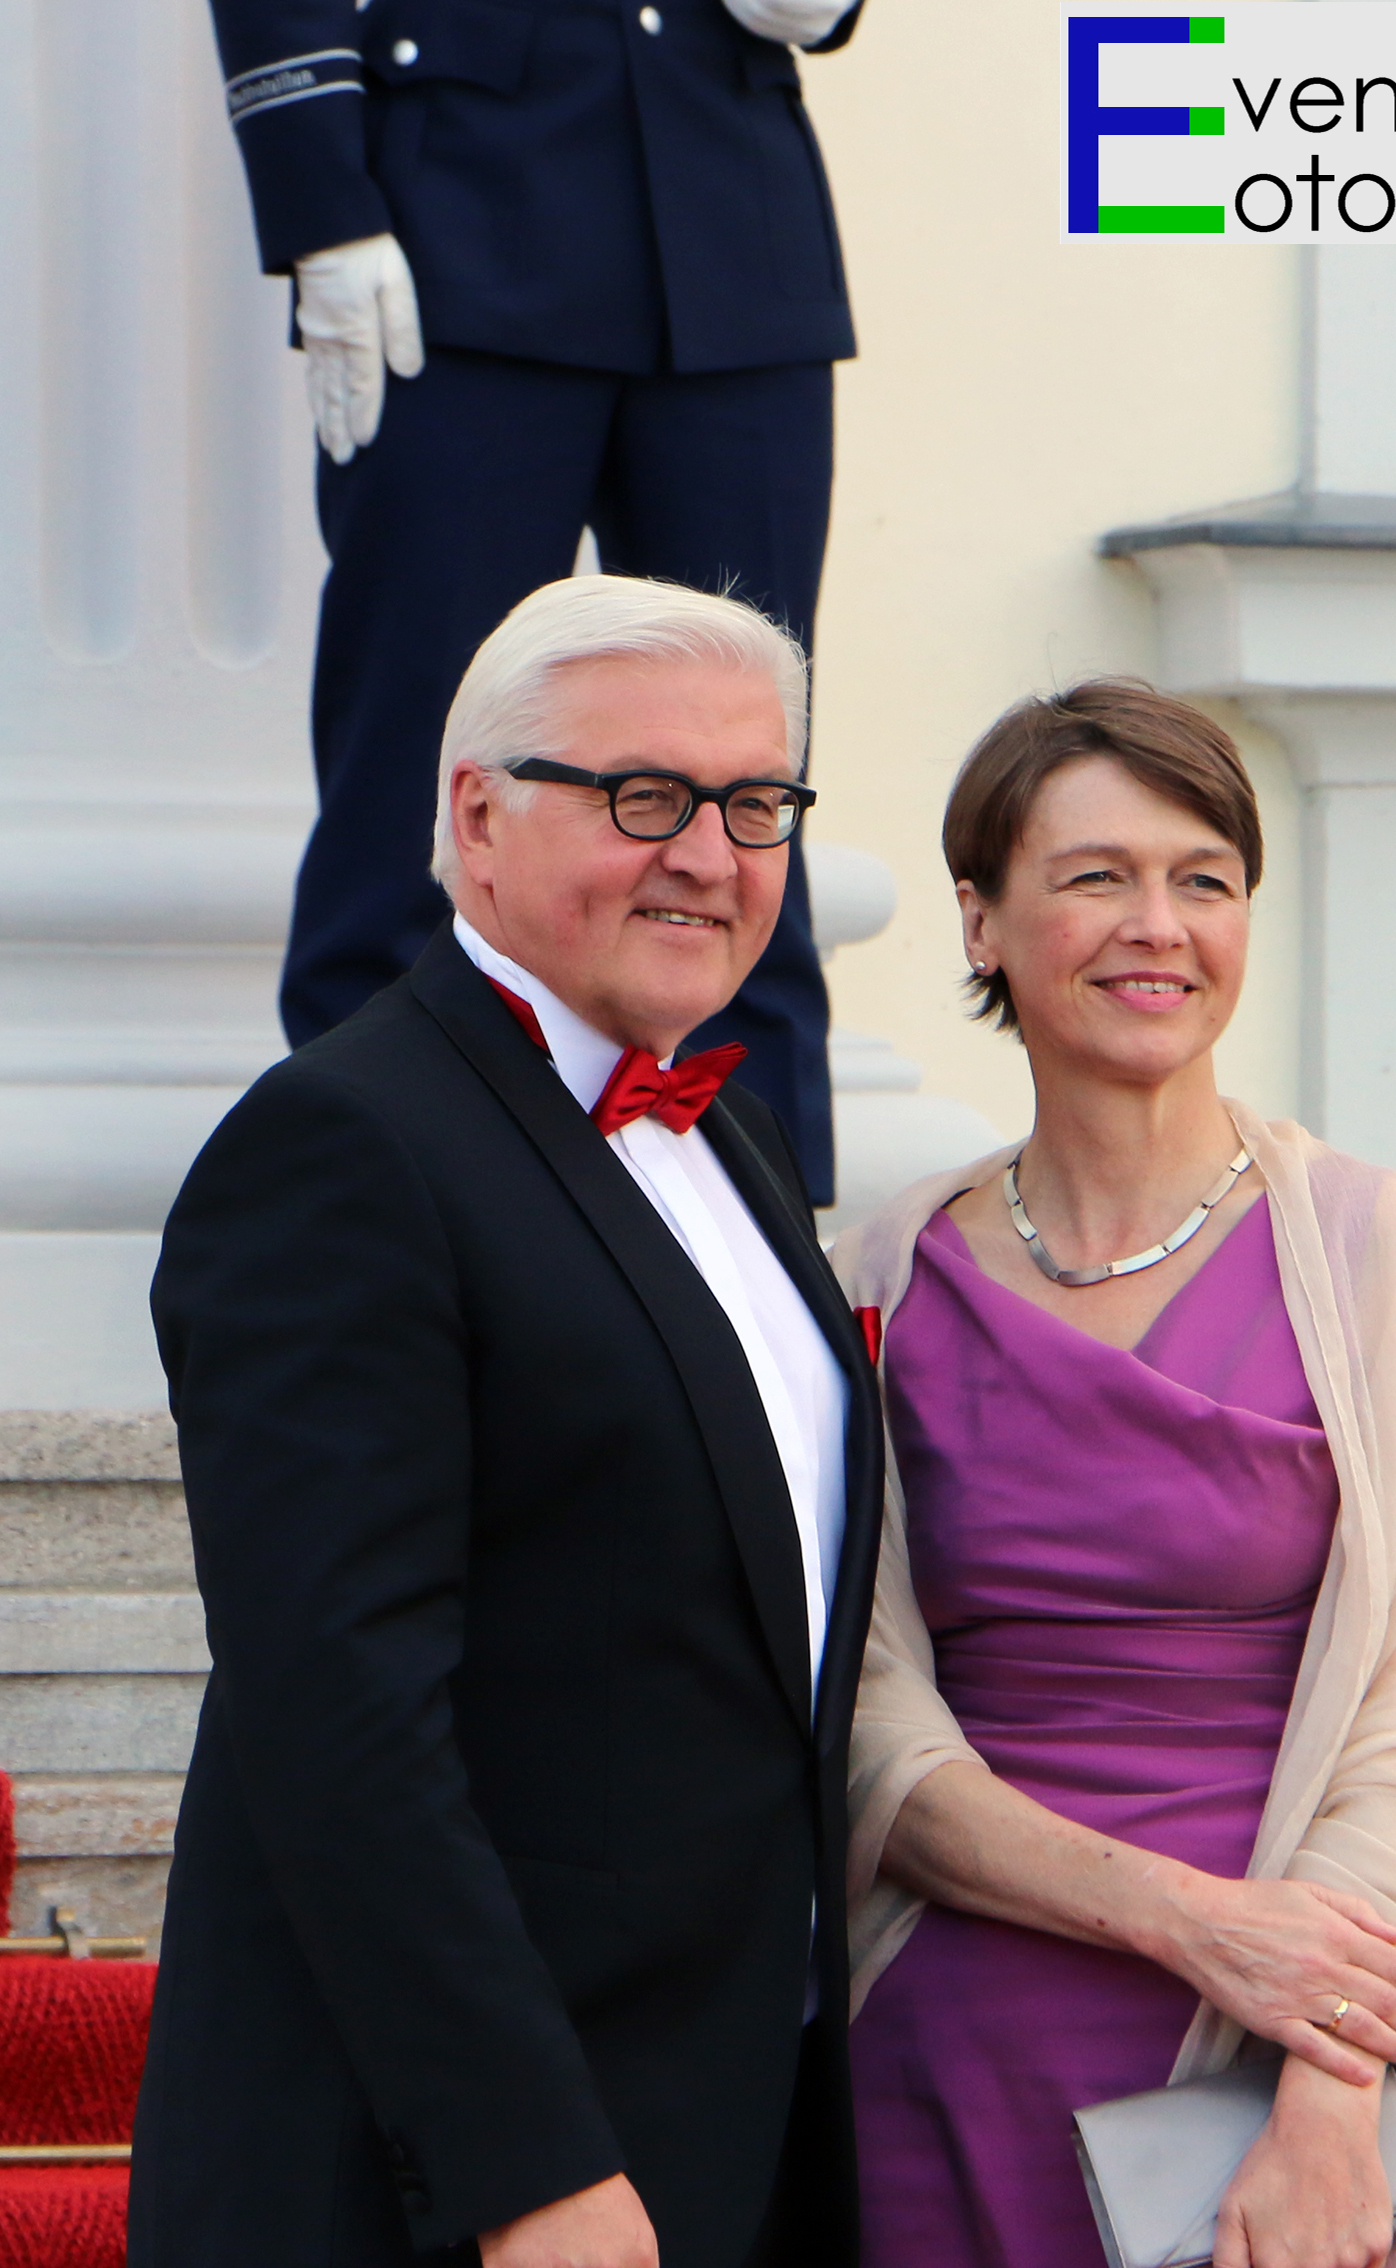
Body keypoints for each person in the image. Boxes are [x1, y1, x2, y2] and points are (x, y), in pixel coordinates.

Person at [130, 577, 884, 2268]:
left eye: (756, 803)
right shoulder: (342, 1145)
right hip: (450, 2180)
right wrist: (521, 2165)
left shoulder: (737, 1139)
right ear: (475, 813)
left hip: (721, 2125)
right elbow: (340, 1715)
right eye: (641, 796)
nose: (708, 850)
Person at [829, 681, 1396, 2268]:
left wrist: (1332, 2083)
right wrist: (1193, 1925)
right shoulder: (870, 1276)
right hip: (948, 2058)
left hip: (1292, 2080)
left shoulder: (1380, 1247)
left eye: (1202, 878)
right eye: (1092, 877)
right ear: (980, 921)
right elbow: (861, 1722)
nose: (1158, 925)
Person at [205, 0, 869, 1207]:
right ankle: (371, 1210)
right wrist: (321, 201)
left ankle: (755, 1233)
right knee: (420, 771)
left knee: (749, 785)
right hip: (454, 216)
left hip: (730, 220)